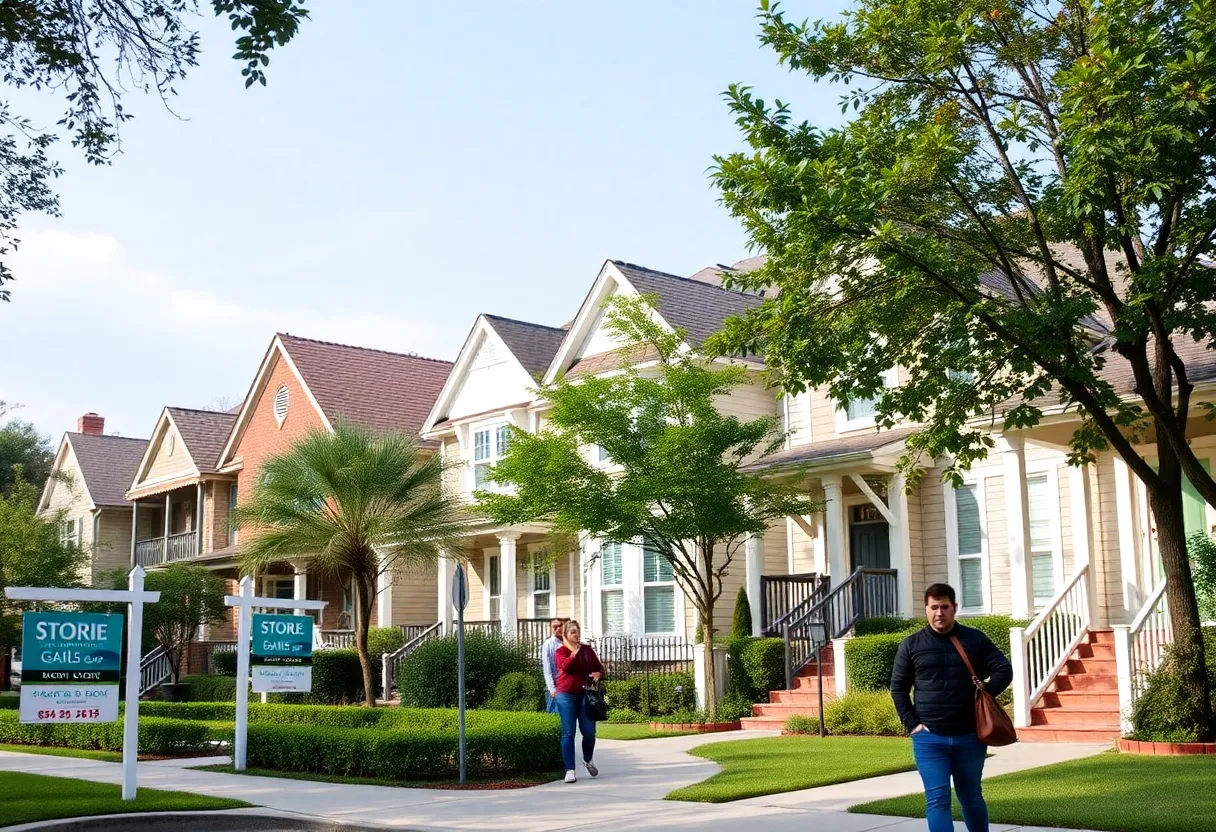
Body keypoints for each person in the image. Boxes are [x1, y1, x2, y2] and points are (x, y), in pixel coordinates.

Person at [890, 583, 1013, 832]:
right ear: (926, 609)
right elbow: (898, 688)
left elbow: (1004, 669)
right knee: (937, 800)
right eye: (934, 607)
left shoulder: (974, 639)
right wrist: (912, 724)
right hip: (929, 739)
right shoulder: (911, 645)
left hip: (970, 735)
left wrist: (984, 696)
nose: (939, 613)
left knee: (971, 797)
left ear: (954, 608)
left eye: (944, 607)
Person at [554, 619, 603, 783]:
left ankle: (587, 759)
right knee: (568, 733)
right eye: (573, 632)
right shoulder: (561, 652)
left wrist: (597, 674)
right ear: (566, 635)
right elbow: (566, 667)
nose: (576, 635)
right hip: (566, 695)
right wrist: (573, 652)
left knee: (589, 732)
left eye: (577, 631)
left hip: (586, 695)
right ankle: (569, 769)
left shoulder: (587, 650)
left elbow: (598, 667)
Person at [541, 617, 564, 714]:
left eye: (559, 626)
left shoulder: (567, 643)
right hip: (556, 685)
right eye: (554, 626)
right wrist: (552, 688)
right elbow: (547, 668)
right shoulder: (548, 644)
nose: (556, 629)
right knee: (555, 716)